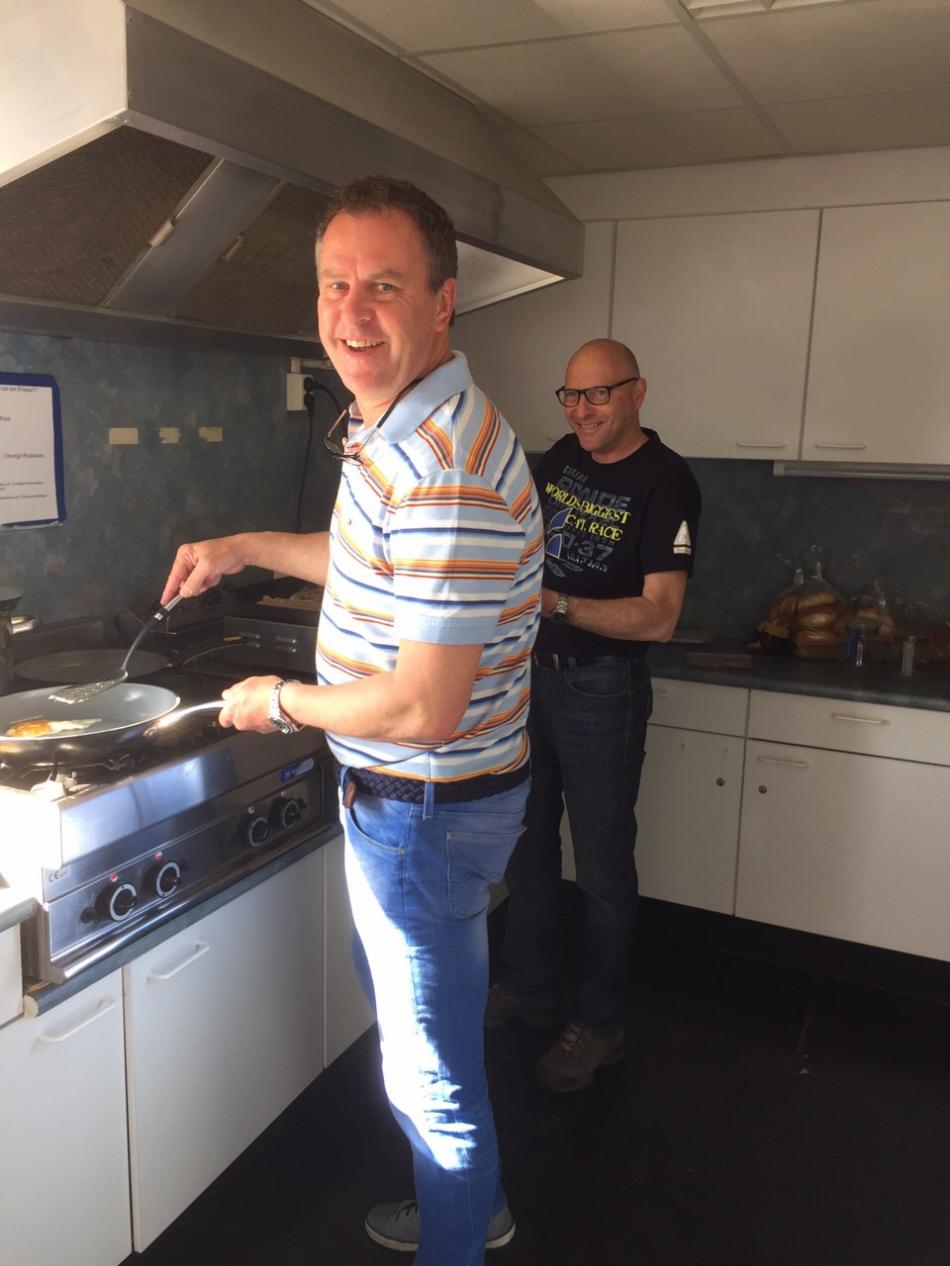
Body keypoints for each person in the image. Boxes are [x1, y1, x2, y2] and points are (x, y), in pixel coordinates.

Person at [161, 176, 542, 1266]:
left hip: (423, 810)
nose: (350, 311)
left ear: (442, 301)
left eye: (383, 285)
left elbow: (423, 706)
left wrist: (277, 701)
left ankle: (457, 1237)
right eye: (335, 284)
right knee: (436, 1042)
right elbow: (372, 562)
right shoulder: (395, 425)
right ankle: (474, 1208)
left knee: (425, 1074)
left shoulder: (446, 468)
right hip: (422, 806)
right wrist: (243, 546)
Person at [485, 338, 701, 1093]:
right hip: (528, 680)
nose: (581, 411)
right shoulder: (559, 461)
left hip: (601, 689)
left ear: (638, 392)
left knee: (603, 868)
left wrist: (556, 605)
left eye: (599, 394)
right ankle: (530, 986)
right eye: (571, 396)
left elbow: (660, 617)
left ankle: (600, 1024)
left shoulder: (667, 482)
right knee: (527, 847)